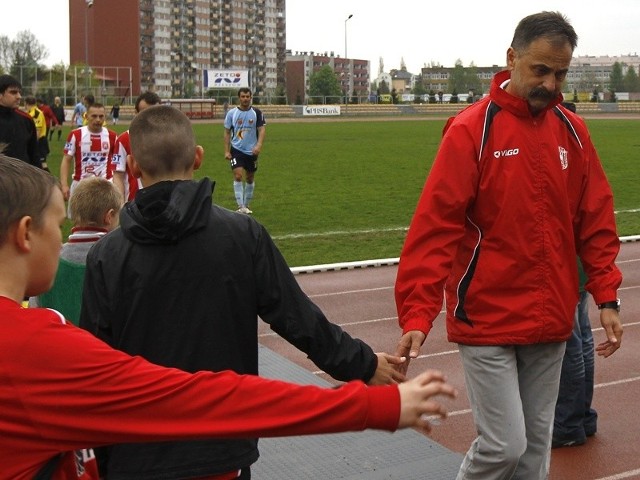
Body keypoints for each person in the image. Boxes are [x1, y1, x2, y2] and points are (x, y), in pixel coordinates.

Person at [0, 153, 457, 480]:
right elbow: (199, 398)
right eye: (57, 226)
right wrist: (375, 404)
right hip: (217, 452)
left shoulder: (101, 263)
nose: (63, 243)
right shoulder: (32, 347)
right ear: (25, 234)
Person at [79, 105, 407, 480]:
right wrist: (363, 365)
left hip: (136, 456)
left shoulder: (106, 254)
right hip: (221, 449)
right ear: (198, 157)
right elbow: (297, 318)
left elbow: (94, 366)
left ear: (133, 166)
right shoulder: (242, 236)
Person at [393, 11, 623, 480]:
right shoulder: (470, 130)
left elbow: (594, 219)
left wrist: (606, 295)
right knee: (503, 446)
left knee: (536, 451)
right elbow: (435, 226)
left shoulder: (573, 132)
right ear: (512, 58)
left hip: (552, 316)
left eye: (560, 73)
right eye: (540, 70)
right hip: (487, 316)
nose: (550, 83)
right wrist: (418, 313)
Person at [28, 177, 121, 325]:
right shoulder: (121, 260)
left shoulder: (45, 263)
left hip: (54, 345)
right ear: (109, 217)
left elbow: (34, 315)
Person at [553, 260, 597, 448]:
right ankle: (582, 416)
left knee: (570, 344)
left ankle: (568, 424)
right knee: (582, 338)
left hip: (563, 265)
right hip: (580, 264)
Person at [59, 102, 117, 203]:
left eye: (101, 116)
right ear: (86, 116)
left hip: (105, 186)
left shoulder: (112, 136)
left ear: (105, 117)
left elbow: (119, 164)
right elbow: (66, 160)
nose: (98, 120)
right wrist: (64, 184)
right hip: (81, 185)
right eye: (94, 116)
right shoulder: (76, 135)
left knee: (104, 218)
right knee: (80, 218)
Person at [112, 91, 161, 202]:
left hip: (162, 207)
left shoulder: (169, 138)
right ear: (136, 113)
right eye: (145, 113)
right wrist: (120, 205)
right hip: (134, 206)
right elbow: (118, 175)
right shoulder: (124, 139)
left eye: (155, 113)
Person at [224, 87, 265, 214]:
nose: (245, 99)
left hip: (251, 151)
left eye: (248, 96)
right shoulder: (232, 113)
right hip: (236, 149)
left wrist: (258, 145)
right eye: (243, 96)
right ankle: (240, 206)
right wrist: (226, 151)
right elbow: (226, 132)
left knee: (250, 178)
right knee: (238, 175)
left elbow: (261, 130)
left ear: (251, 97)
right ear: (239, 97)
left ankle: (246, 206)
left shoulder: (257, 113)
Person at [0, 74, 40, 167]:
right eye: (13, 92)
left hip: (23, 179)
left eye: (19, 92)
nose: (19, 96)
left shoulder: (26, 120)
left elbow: (34, 155)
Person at [24, 96, 51, 172]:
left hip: (39, 141)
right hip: (37, 141)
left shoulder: (36, 113)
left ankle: (51, 181)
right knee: (34, 163)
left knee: (42, 163)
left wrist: (32, 144)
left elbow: (37, 131)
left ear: (26, 103)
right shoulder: (30, 112)